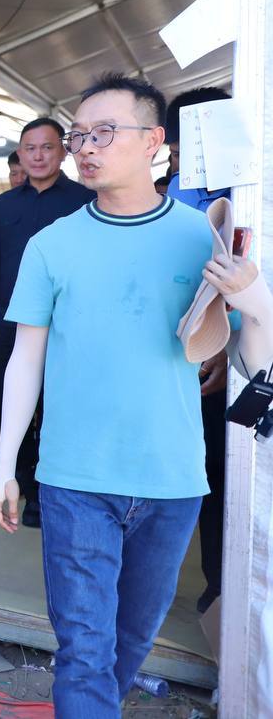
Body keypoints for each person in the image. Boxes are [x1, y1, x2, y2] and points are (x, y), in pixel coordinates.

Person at [0, 73, 273, 716]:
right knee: (84, 650)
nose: (86, 148)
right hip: (74, 478)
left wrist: (257, 300)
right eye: (79, 136)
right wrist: (5, 464)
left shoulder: (205, 235)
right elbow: (25, 359)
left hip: (172, 479)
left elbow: (254, 359)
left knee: (131, 641)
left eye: (105, 133)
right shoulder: (51, 244)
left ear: (154, 142)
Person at [0, 117, 93, 528]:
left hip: (66, 325)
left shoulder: (84, 201)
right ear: (20, 154)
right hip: (11, 320)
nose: (38, 156)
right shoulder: (4, 205)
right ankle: (19, 473)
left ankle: (42, 490)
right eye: (30, 148)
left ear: (63, 151)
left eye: (47, 147)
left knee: (54, 405)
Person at [161, 86, 234, 613]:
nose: (184, 161)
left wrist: (229, 347)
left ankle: (227, 584)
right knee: (193, 467)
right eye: (179, 150)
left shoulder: (254, 191)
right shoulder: (175, 192)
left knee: (229, 475)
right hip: (181, 353)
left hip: (240, 356)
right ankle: (208, 580)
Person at [165, 87, 232, 212]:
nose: (185, 166)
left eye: (196, 154)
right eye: (177, 154)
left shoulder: (251, 193)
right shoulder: (176, 186)